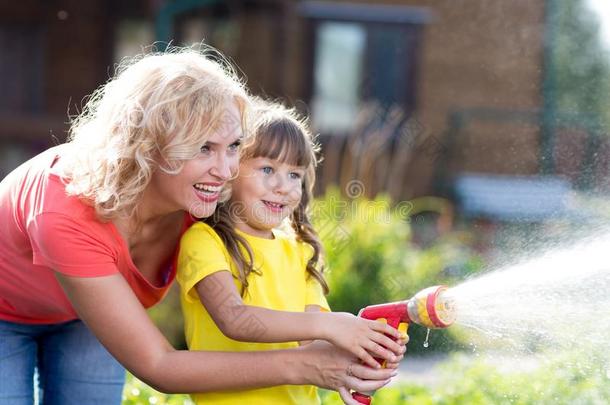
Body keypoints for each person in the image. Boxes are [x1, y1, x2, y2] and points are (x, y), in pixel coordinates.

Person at [0, 47, 405, 405]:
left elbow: (279, 275)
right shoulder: (65, 210)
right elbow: (159, 365)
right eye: (203, 148)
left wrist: (343, 345)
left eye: (232, 147)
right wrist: (308, 365)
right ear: (144, 147)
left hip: (86, 315)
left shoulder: (207, 196)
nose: (226, 169)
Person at [176, 99, 407, 405]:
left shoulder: (301, 250)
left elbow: (309, 344)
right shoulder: (204, 241)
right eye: (267, 168)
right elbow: (234, 319)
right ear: (230, 174)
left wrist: (365, 349)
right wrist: (331, 325)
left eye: (295, 174)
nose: (282, 186)